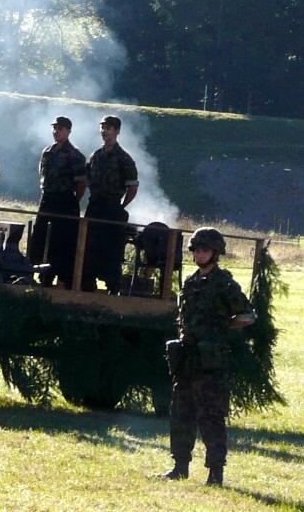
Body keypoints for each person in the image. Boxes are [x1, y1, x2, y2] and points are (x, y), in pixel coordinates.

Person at [159, 228, 256, 487]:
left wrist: (222, 328)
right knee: (181, 413)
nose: (200, 254)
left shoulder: (224, 283)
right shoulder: (190, 282)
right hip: (187, 357)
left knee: (211, 417)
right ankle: (180, 466)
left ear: (215, 253)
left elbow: (248, 315)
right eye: (197, 250)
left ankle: (215, 473)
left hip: (211, 361)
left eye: (205, 250)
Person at [81, 115, 138, 294]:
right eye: (102, 127)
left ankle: (113, 287)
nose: (104, 131)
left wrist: (121, 207)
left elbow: (132, 187)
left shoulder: (124, 158)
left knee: (112, 250)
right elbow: (86, 178)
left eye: (108, 128)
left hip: (112, 208)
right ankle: (87, 284)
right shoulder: (95, 156)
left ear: (117, 131)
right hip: (95, 206)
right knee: (89, 247)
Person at [29, 117, 86, 286]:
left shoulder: (75, 155)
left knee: (62, 242)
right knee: (39, 238)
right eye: (55, 128)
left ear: (68, 131)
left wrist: (72, 201)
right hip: (47, 199)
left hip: (65, 201)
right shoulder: (47, 152)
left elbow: (81, 184)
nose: (56, 132)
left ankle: (61, 278)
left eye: (60, 129)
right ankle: (38, 273)